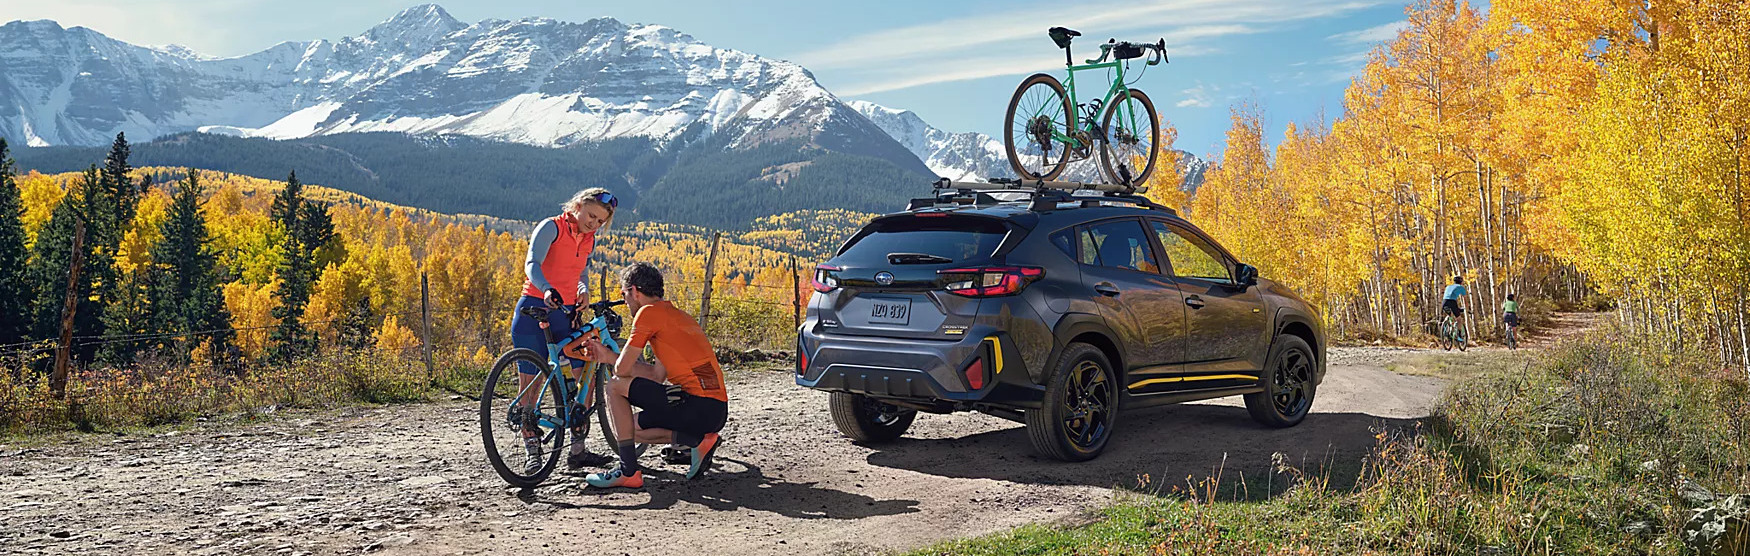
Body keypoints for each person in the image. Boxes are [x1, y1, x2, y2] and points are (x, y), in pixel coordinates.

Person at [577, 263, 728, 489]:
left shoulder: (647, 313)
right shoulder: (678, 317)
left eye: (624, 293)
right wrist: (610, 357)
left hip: (698, 405)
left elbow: (621, 370)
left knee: (614, 386)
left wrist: (608, 356)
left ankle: (628, 471)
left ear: (635, 291)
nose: (624, 299)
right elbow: (656, 375)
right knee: (633, 428)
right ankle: (697, 441)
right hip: (715, 410)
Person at [509, 188, 619, 474]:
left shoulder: (589, 239)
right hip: (536, 309)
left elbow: (580, 272)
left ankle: (578, 450)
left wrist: (583, 289)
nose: (593, 224)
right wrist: (546, 289)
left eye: (600, 221)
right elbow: (531, 264)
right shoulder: (551, 227)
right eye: (591, 216)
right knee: (530, 386)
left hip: (567, 314)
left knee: (585, 373)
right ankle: (533, 451)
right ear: (578, 205)